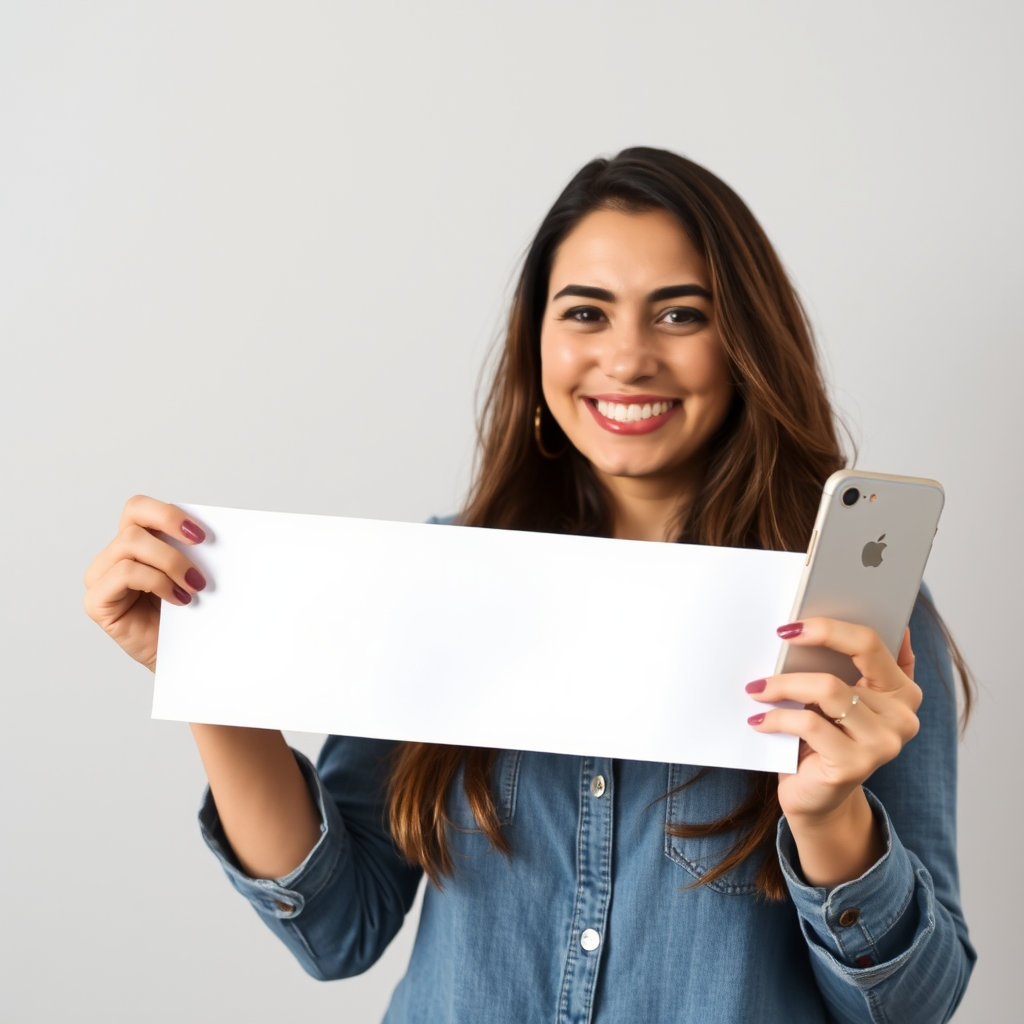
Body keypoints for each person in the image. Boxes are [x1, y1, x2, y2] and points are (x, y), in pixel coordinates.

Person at [83, 147, 976, 1023]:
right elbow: (336, 930)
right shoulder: (438, 579)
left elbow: (913, 1007)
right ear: (536, 344)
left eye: (680, 315)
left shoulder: (852, 629)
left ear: (745, 344)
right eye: (587, 313)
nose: (626, 360)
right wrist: (209, 666)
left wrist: (828, 813)